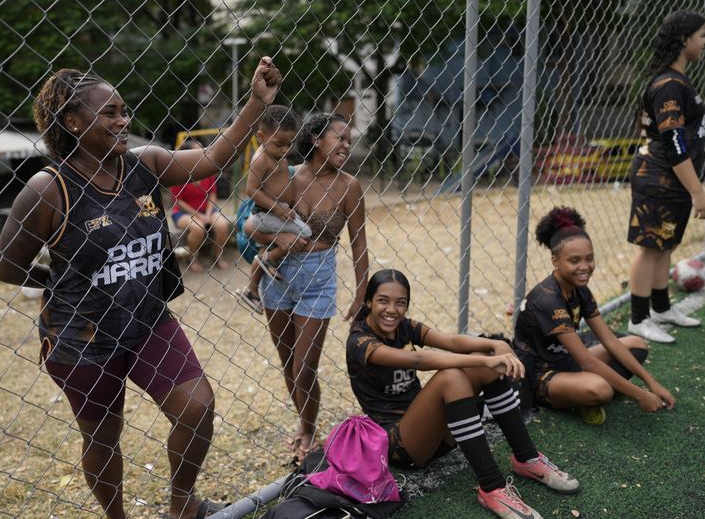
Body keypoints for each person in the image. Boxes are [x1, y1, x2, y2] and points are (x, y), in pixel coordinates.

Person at [0, 60, 281, 519]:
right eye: (108, 113)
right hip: (83, 338)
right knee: (103, 437)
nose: (122, 120)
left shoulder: (145, 163)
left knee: (197, 408)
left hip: (147, 320)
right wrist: (61, 283)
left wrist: (255, 104)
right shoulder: (49, 189)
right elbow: (7, 267)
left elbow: (212, 159)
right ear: (73, 122)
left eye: (123, 111)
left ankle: (182, 503)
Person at [346, 269, 578, 519]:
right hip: (399, 445)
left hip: (435, 435)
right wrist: (485, 361)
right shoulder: (359, 341)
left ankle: (527, 459)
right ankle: (492, 488)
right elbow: (418, 360)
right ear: (368, 302)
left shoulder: (405, 327)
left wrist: (494, 346)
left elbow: (451, 341)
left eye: (400, 302)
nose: (392, 309)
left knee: (484, 362)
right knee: (453, 376)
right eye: (383, 301)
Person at [246, 113, 368, 461]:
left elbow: (359, 243)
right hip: (279, 275)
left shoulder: (350, 187)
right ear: (315, 138)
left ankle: (310, 429)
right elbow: (252, 225)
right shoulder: (285, 176)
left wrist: (361, 294)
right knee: (288, 362)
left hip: (318, 278)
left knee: (304, 367)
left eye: (349, 140)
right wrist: (279, 240)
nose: (346, 145)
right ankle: (303, 423)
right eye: (339, 138)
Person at [514, 207, 676, 426]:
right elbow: (587, 361)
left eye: (589, 258)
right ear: (555, 261)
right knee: (601, 390)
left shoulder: (579, 288)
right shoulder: (548, 299)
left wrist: (652, 383)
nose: (584, 267)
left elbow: (610, 341)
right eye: (574, 261)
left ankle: (582, 392)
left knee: (637, 344)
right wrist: (640, 395)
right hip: (541, 373)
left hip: (567, 360)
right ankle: (577, 397)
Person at [627, 10, 705, 344]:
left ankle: (661, 308)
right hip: (659, 177)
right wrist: (698, 192)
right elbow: (674, 143)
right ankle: (638, 319)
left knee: (665, 244)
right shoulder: (669, 85)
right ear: (683, 39)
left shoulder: (676, 80)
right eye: (702, 35)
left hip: (671, 179)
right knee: (650, 247)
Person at [235, 105, 307, 312]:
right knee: (304, 233)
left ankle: (252, 289)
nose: (285, 150)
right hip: (266, 213)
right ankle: (269, 260)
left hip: (278, 211)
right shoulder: (260, 159)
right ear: (261, 137)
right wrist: (277, 208)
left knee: (269, 247)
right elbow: (251, 189)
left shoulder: (277, 155)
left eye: (289, 144)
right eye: (279, 144)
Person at [170, 139, 233, 272]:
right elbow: (178, 201)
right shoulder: (178, 174)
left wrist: (208, 214)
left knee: (222, 225)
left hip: (206, 209)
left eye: (202, 150)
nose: (202, 154)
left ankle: (217, 256)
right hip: (183, 212)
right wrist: (198, 215)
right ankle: (192, 259)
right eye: (197, 151)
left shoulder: (207, 171)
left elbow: (212, 194)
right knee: (198, 228)